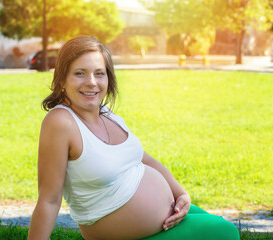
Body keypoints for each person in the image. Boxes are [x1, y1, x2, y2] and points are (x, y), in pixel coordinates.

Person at [27, 36, 240, 240]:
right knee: (226, 232)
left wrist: (180, 193)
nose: (92, 82)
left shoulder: (107, 113)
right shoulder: (60, 122)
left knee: (211, 222)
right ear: (62, 79)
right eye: (80, 73)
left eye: (99, 73)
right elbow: (49, 200)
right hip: (113, 230)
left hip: (162, 214)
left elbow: (144, 159)